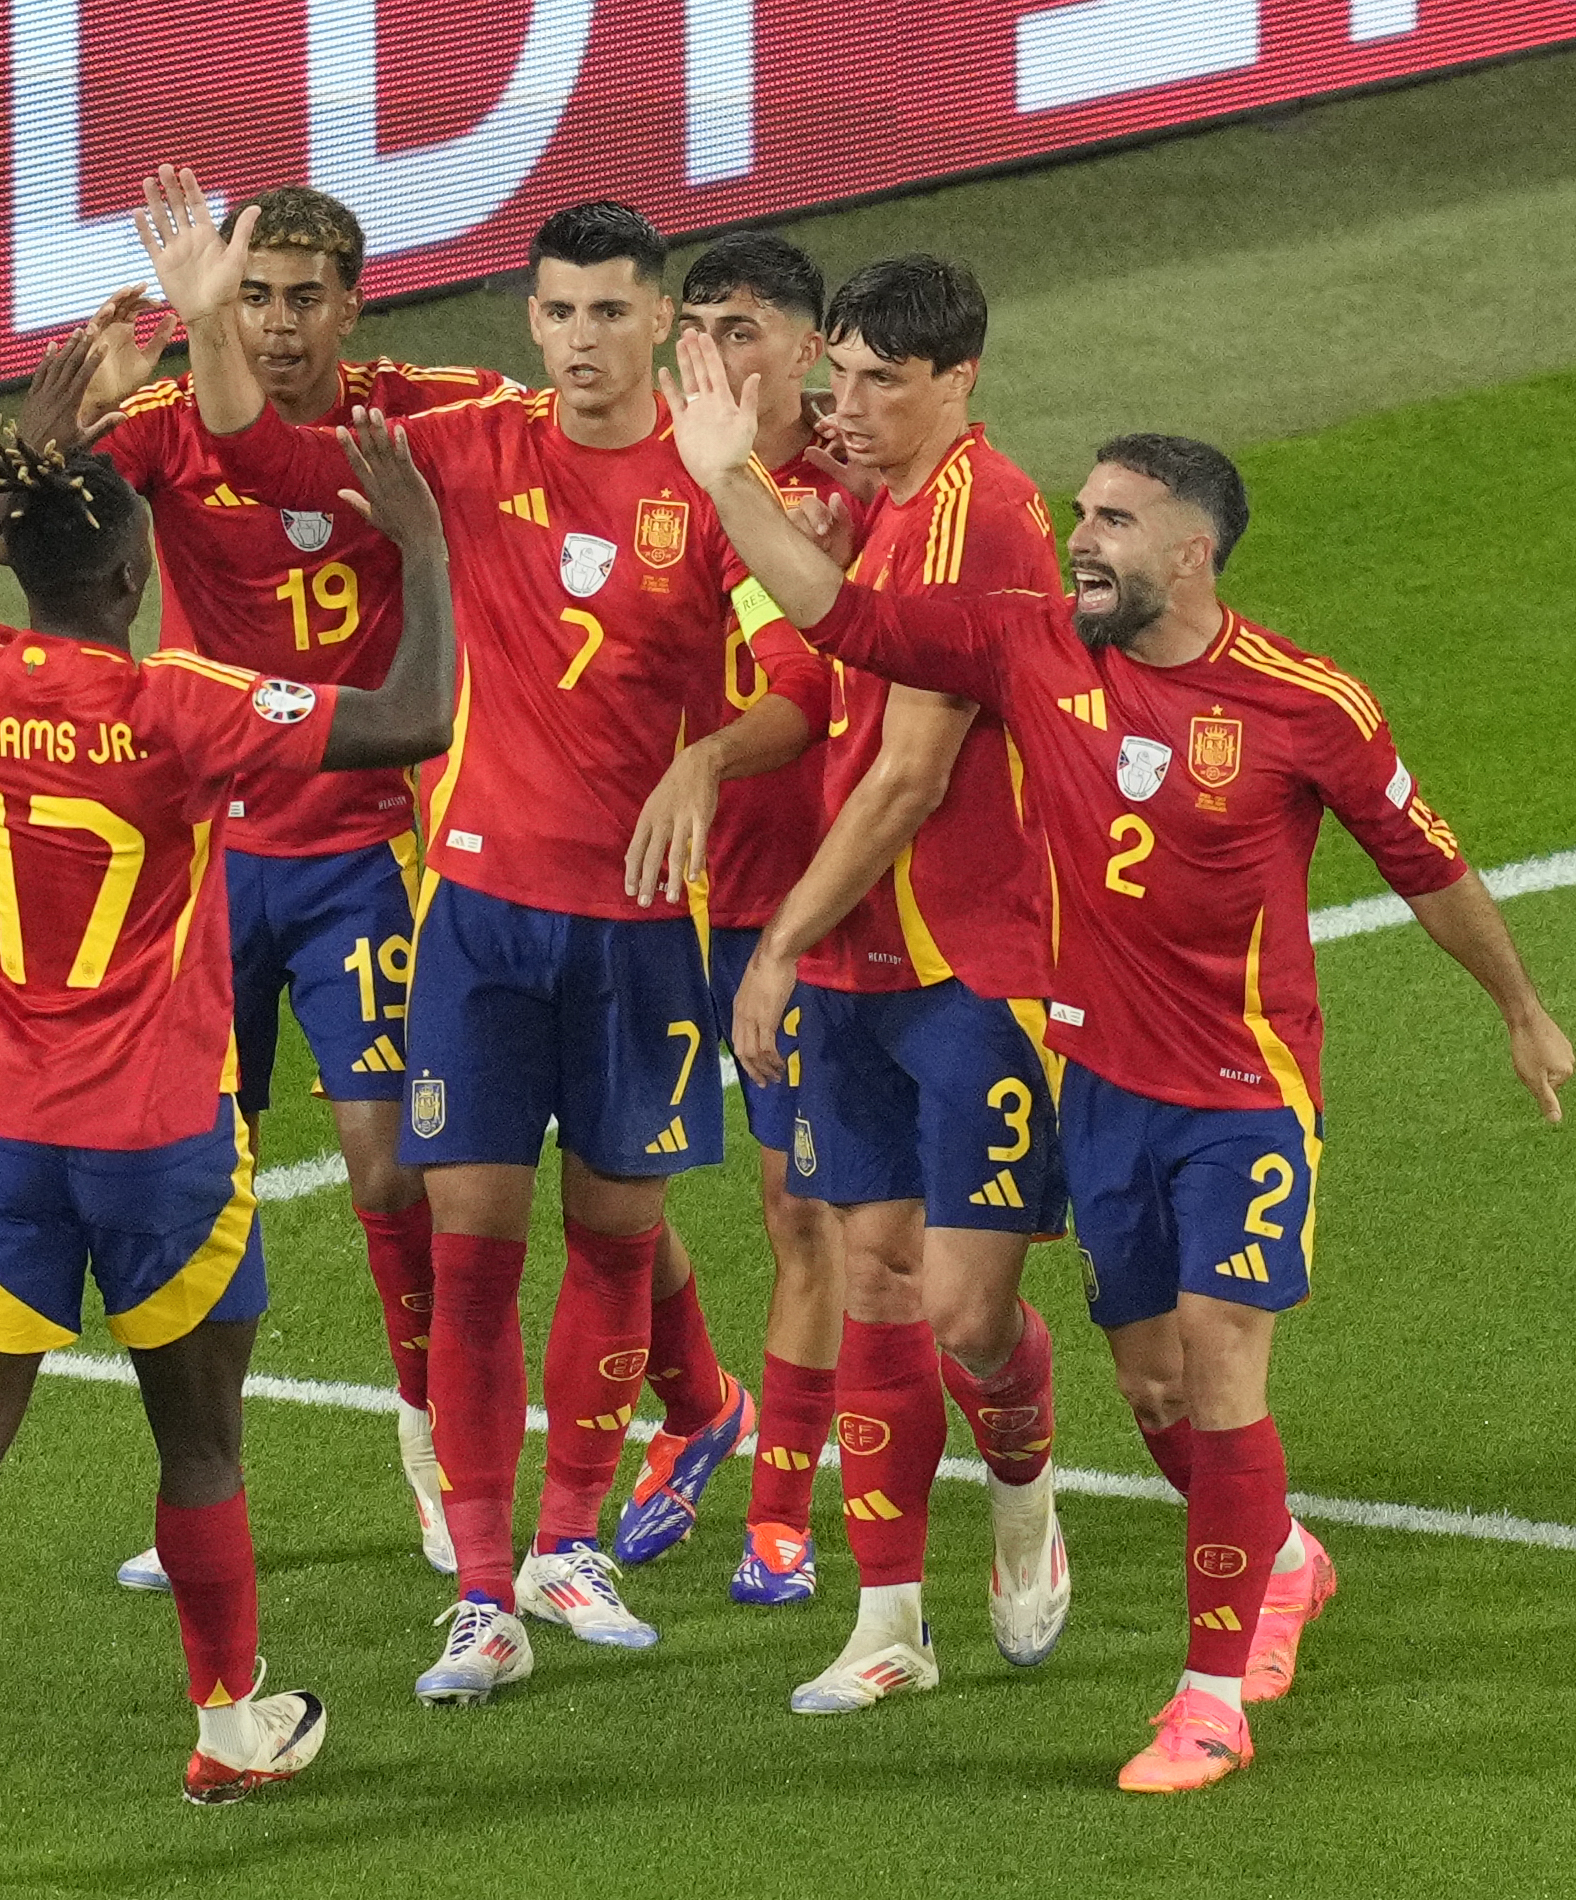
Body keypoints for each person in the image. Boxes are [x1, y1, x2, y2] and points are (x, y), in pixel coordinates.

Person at [666, 337, 1576, 1788]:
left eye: (1108, 522)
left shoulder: (1304, 705)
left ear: (1191, 551)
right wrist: (727, 479)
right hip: (1102, 1097)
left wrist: (1518, 1007)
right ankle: (1279, 1557)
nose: (1075, 542)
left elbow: (1428, 865)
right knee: (1152, 1390)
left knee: (1219, 1364)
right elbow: (841, 619)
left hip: (1240, 1098)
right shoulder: (1029, 649)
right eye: (1078, 516)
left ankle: (1207, 1695)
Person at [0, 336, 458, 1877]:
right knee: (201, 1452)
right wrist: (421, 546)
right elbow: (414, 717)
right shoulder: (177, 703)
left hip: (0, 1145)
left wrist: (14, 454)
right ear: (132, 569)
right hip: (164, 1145)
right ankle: (227, 1719)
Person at [137, 166, 759, 1701]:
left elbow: (814, 675)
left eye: (610, 313)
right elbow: (256, 450)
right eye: (556, 313)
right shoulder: (463, 453)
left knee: (610, 1243)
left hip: (636, 934)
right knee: (470, 1254)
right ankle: (483, 1592)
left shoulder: (711, 478)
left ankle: (567, 1540)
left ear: (658, 318)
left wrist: (707, 757)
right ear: (528, 322)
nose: (579, 340)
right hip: (476, 920)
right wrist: (207, 318)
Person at [647, 259, 1075, 1709]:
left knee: (963, 1313)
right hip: (856, 962)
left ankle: (1022, 1492)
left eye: (885, 382)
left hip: (973, 961)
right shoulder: (874, 492)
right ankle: (888, 1624)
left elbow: (902, 779)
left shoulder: (980, 521)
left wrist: (768, 944)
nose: (851, 408)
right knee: (873, 1271)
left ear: (959, 382)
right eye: (841, 377)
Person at [69, 185, 512, 1587]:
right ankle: (198, 1490)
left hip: (359, 850)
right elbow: (32, 503)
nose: (274, 323)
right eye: (250, 296)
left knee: (391, 1168)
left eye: (300, 297)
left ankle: (440, 1453)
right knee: (193, 1185)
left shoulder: (409, 415)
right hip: (206, 861)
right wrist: (77, 401)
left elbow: (548, 420)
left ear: (352, 303)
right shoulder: (164, 424)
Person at [609, 231, 844, 1600]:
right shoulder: (642, 468)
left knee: (800, 1212)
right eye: (697, 325)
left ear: (808, 348)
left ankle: (780, 1509)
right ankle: (701, 1411)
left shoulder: (854, 490)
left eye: (745, 329)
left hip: (799, 902)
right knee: (609, 1186)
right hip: (648, 891)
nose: (716, 353)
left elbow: (812, 692)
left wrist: (704, 759)